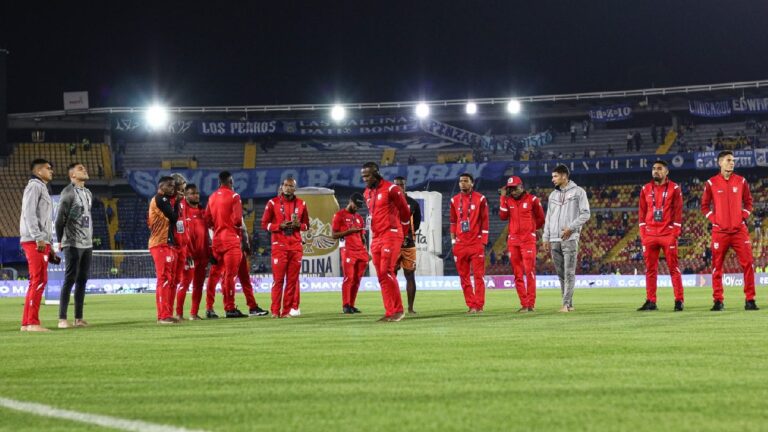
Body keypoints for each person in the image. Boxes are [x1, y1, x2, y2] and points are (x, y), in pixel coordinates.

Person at [701, 150, 757, 311]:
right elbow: (704, 206)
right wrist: (715, 220)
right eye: (728, 160)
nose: (731, 163)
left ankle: (750, 299)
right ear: (720, 163)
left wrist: (743, 216)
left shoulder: (741, 181)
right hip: (720, 232)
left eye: (733, 160)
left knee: (748, 264)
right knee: (716, 266)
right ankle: (718, 301)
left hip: (739, 231)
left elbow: (749, 202)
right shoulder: (711, 183)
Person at [361, 162, 411, 322]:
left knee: (387, 271)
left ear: (376, 173)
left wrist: (402, 233)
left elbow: (405, 212)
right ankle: (390, 311)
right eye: (363, 176)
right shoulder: (366, 193)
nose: (365, 179)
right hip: (376, 237)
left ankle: (398, 311)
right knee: (381, 274)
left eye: (367, 176)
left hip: (391, 234)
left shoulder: (392, 189)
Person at [637, 160, 684, 312]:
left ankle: (679, 300)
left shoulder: (674, 188)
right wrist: (643, 233)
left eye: (659, 169)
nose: (656, 171)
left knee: (673, 268)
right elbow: (642, 212)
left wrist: (674, 233)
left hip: (667, 234)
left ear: (666, 172)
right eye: (654, 168)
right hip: (650, 234)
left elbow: (678, 211)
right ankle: (651, 301)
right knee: (650, 270)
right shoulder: (645, 188)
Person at [542, 165, 591, 312]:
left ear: (564, 176)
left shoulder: (578, 192)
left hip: (569, 238)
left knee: (569, 272)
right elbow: (548, 218)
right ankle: (568, 304)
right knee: (561, 274)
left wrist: (571, 228)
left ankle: (565, 304)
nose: (552, 179)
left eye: (555, 176)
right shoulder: (552, 195)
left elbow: (586, 214)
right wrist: (546, 237)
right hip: (554, 239)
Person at [19, 159, 59, 332]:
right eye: (48, 168)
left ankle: (27, 323)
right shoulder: (35, 186)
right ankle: (33, 323)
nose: (52, 171)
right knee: (39, 280)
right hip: (34, 240)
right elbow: (29, 213)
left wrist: (48, 248)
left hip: (39, 241)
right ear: (38, 171)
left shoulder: (41, 187)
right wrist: (39, 238)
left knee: (37, 280)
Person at [261, 177, 309, 318]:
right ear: (282, 187)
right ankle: (275, 311)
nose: (288, 188)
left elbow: (306, 225)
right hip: (279, 246)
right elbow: (264, 224)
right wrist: (279, 226)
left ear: (295, 188)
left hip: (295, 246)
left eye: (291, 186)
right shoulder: (272, 203)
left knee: (292, 281)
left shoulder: (302, 203)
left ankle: (286, 311)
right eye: (286, 185)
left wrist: (298, 225)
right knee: (278, 280)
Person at [54, 162, 93, 328]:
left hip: (87, 243)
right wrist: (60, 240)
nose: (84, 169)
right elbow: (58, 220)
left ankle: (78, 318)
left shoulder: (88, 192)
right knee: (70, 279)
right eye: (80, 168)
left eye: (85, 167)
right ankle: (62, 319)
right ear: (72, 175)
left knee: (82, 280)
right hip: (72, 242)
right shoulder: (68, 193)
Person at [205, 217, 269, 318]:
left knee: (241, 279)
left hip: (233, 248)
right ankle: (222, 308)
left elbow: (242, 228)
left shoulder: (222, 207)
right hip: (226, 248)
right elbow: (242, 228)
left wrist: (245, 245)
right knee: (222, 277)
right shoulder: (226, 207)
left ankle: (251, 307)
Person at [205, 171, 249, 318]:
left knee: (213, 275)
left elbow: (208, 220)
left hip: (217, 241)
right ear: (231, 181)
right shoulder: (235, 196)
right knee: (229, 275)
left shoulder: (211, 197)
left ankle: (209, 308)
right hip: (231, 240)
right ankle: (229, 308)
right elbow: (237, 220)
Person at [499, 176, 544, 312]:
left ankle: (531, 304)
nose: (513, 191)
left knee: (529, 271)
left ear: (522, 187)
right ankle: (524, 304)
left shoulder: (533, 200)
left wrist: (532, 231)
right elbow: (502, 216)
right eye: (510, 189)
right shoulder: (508, 201)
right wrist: (502, 198)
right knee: (517, 273)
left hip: (527, 240)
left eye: (515, 188)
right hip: (513, 241)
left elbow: (541, 218)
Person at [450, 173, 489, 313]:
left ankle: (479, 305)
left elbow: (485, 221)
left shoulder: (480, 199)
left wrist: (483, 242)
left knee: (479, 276)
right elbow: (453, 222)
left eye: (466, 181)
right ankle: (471, 305)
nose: (462, 183)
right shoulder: (454, 200)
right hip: (460, 245)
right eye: (460, 181)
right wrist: (453, 241)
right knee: (464, 277)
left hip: (475, 244)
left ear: (472, 183)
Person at [175, 183, 211, 320]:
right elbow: (180, 230)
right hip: (188, 255)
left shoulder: (203, 213)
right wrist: (185, 251)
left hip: (202, 255)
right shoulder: (182, 210)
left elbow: (208, 234)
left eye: (197, 193)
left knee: (199, 285)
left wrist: (209, 253)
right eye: (192, 193)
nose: (195, 195)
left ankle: (194, 313)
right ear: (186, 195)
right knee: (185, 283)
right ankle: (178, 314)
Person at [148, 176, 181, 324]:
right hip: (159, 243)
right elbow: (173, 217)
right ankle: (162, 316)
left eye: (173, 186)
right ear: (161, 186)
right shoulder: (160, 199)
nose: (172, 188)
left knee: (170, 279)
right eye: (169, 186)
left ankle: (168, 313)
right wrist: (178, 201)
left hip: (167, 244)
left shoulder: (166, 200)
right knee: (164, 279)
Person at [332, 193, 368, 314]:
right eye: (356, 205)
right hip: (348, 250)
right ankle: (345, 305)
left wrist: (366, 251)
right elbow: (333, 235)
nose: (357, 208)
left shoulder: (359, 218)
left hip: (361, 251)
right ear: (350, 201)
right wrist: (348, 231)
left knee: (357, 279)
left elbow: (363, 237)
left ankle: (352, 305)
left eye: (359, 206)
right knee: (349, 278)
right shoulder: (339, 215)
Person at [393, 176, 422, 314]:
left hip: (408, 244)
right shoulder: (389, 202)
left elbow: (416, 223)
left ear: (405, 185)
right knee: (391, 275)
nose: (399, 187)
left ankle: (410, 308)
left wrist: (408, 236)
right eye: (396, 184)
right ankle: (394, 307)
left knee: (410, 275)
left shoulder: (413, 203)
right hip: (392, 244)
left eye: (401, 184)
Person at [169, 173, 190, 321]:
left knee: (176, 281)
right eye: (181, 189)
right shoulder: (167, 202)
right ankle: (167, 313)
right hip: (172, 245)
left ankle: (172, 313)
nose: (183, 192)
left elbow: (184, 226)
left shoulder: (183, 203)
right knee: (169, 281)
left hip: (183, 246)